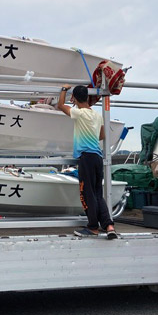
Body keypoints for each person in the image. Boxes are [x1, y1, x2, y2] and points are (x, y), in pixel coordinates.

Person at [57, 84, 116, 239]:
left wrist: (63, 89)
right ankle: (109, 226)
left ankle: (92, 227)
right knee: (97, 194)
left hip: (86, 158)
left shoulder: (79, 113)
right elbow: (101, 136)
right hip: (97, 157)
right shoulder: (97, 115)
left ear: (74, 98)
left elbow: (60, 105)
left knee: (87, 193)